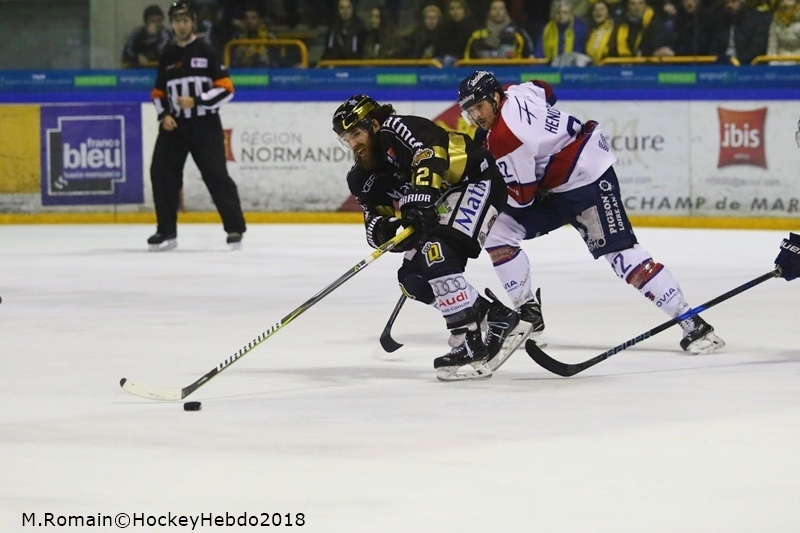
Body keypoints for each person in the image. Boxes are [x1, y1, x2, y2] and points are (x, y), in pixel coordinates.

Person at [457, 70, 726, 356]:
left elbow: (522, 198)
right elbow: (545, 89)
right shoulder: (517, 92)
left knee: (622, 256)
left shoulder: (505, 137)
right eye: (470, 110)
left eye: (480, 106)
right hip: (558, 184)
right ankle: (529, 314)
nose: (476, 115)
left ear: (495, 98)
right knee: (497, 231)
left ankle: (691, 321)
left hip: (588, 181)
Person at [332, 94, 518, 381]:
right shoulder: (361, 178)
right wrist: (388, 230)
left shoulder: (397, 128)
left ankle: (466, 340)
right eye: (347, 139)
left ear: (374, 126)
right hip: (442, 200)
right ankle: (494, 315)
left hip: (475, 181)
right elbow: (373, 220)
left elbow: (430, 156)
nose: (353, 144)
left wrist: (416, 204)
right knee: (413, 279)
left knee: (436, 250)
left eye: (357, 133)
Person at [148, 1, 246, 251]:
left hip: (205, 125)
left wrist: (197, 100)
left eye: (185, 21)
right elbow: (158, 93)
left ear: (192, 22)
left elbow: (226, 89)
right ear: (171, 25)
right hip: (174, 127)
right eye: (176, 21)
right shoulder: (168, 55)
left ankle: (234, 228)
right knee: (161, 174)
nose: (181, 26)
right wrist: (164, 115)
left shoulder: (207, 50)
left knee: (216, 175)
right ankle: (166, 230)